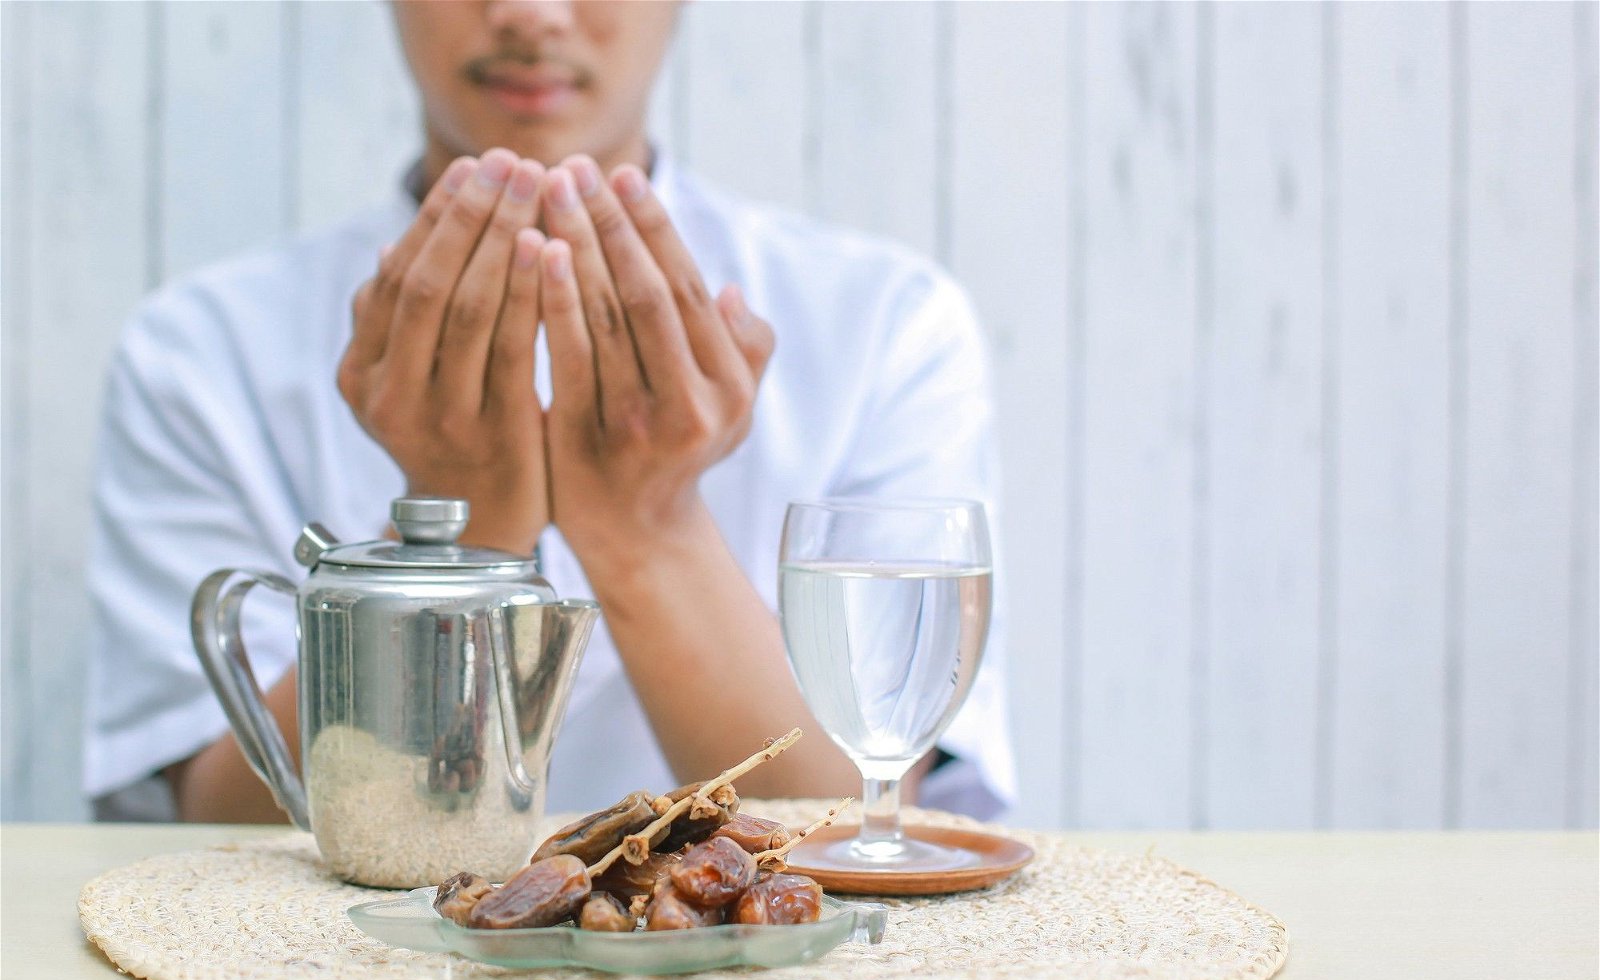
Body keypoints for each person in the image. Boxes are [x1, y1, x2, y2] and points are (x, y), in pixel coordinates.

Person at [84, 1, 1014, 822]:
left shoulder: (882, 324)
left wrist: (647, 526)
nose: (529, 13)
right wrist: (459, 527)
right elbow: (213, 831)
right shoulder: (200, 350)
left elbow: (866, 819)